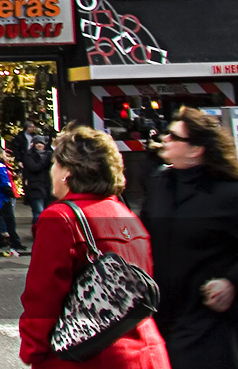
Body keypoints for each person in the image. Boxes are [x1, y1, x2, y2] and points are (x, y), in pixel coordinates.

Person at [19, 126, 169, 369]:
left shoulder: (61, 218)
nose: (52, 172)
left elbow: (42, 298)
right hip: (146, 352)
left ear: (68, 171)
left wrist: (33, 351)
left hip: (91, 355)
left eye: (55, 165)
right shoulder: (127, 215)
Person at [141, 106, 238, 369]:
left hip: (207, 321)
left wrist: (231, 282)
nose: (166, 139)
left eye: (174, 136)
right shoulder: (159, 183)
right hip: (160, 317)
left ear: (196, 149)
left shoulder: (228, 194)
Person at [0, 147, 25, 253]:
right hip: (1, 196)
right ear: (0, 155)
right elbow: (4, 182)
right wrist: (10, 193)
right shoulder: (0, 166)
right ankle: (15, 241)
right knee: (9, 219)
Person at [22, 136, 55, 226]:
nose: (40, 145)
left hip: (47, 186)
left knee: (48, 211)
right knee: (39, 211)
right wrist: (45, 162)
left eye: (41, 143)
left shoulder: (49, 154)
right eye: (37, 143)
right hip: (35, 186)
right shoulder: (29, 155)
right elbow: (33, 167)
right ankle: (38, 231)